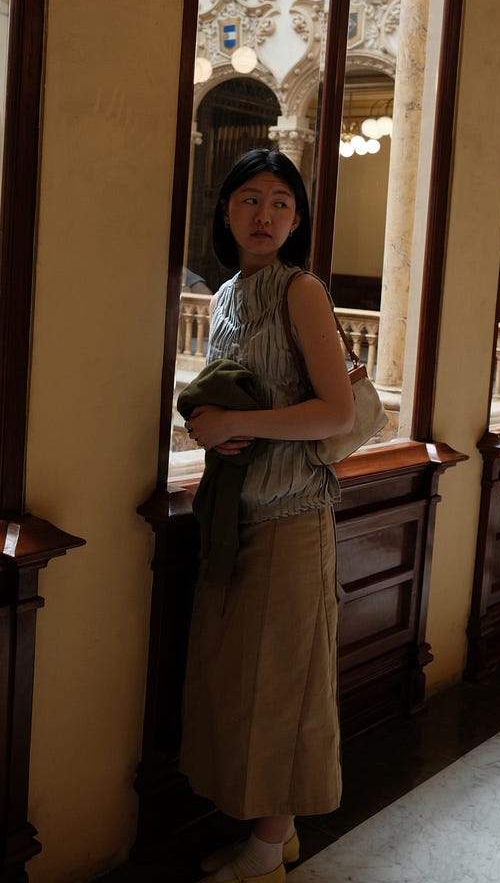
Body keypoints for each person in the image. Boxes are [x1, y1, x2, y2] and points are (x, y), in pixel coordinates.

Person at [180, 148, 355, 883]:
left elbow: (335, 411)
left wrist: (225, 429)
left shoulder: (300, 291)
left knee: (283, 683)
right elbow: (225, 399)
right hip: (239, 516)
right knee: (240, 682)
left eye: (281, 202)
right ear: (225, 211)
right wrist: (206, 425)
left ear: (297, 218)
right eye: (250, 198)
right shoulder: (224, 296)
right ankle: (270, 836)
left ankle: (265, 850)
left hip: (292, 514)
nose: (265, 214)